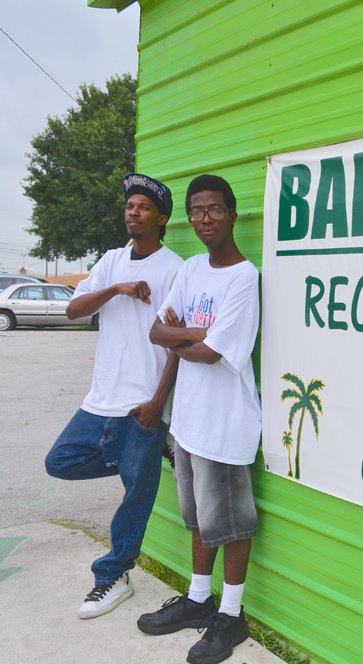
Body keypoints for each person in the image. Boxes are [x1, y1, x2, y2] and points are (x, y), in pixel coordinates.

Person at [45, 173, 184, 619]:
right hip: (99, 399)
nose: (133, 212)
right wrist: (117, 288)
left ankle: (113, 575)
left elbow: (177, 343)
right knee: (59, 462)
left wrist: (157, 404)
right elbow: (73, 309)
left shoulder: (175, 269)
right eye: (129, 205)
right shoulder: (109, 261)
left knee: (134, 498)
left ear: (161, 218)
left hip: (141, 405)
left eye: (143, 207)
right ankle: (138, 462)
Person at [141, 174, 261, 664]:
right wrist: (193, 334)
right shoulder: (191, 269)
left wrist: (185, 336)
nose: (204, 219)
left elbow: (213, 353)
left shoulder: (243, 276)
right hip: (188, 421)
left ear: (232, 214)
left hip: (225, 424)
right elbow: (155, 330)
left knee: (229, 524)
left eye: (213, 210)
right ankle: (197, 600)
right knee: (198, 520)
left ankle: (231, 616)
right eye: (196, 211)